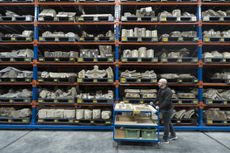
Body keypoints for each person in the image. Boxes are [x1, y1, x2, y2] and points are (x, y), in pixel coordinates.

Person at [152, 78, 177, 143]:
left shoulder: (168, 91)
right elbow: (158, 97)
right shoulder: (160, 89)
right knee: (168, 122)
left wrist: (159, 107)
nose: (158, 83)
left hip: (167, 109)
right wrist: (152, 103)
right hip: (163, 108)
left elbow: (167, 101)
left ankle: (166, 139)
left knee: (166, 124)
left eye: (159, 82)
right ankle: (174, 135)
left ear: (163, 84)